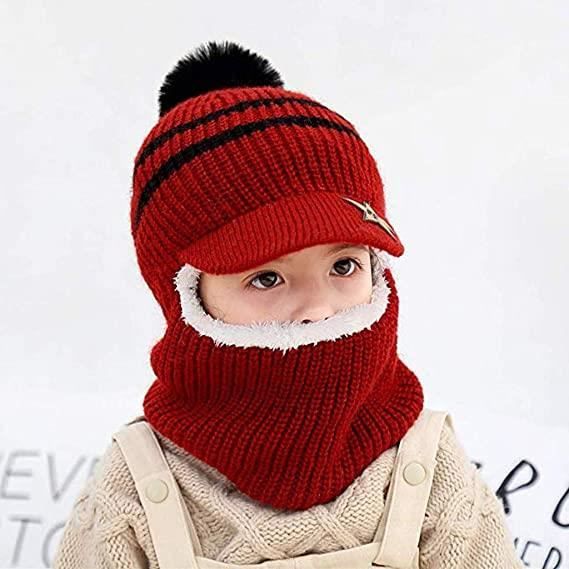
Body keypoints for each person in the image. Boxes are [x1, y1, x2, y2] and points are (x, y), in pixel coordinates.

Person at [52, 40, 523, 568]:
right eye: (267, 276)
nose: (318, 309)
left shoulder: (426, 465)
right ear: (183, 297)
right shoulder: (138, 483)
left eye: (343, 266)